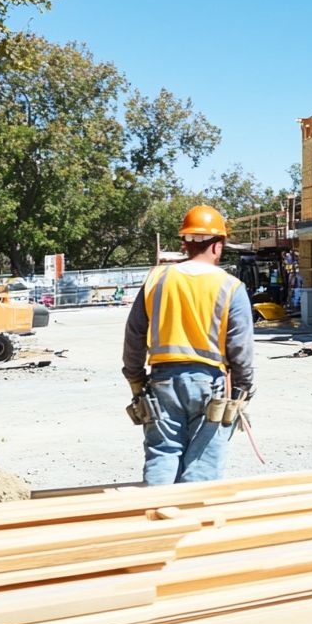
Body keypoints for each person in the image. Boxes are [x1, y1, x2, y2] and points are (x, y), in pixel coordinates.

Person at [122, 205, 256, 484]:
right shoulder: (231, 286)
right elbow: (240, 347)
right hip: (211, 385)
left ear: (184, 244)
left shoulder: (156, 279)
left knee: (162, 453)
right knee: (203, 461)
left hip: (162, 381)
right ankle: (193, 523)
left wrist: (135, 379)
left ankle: (157, 518)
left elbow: (134, 334)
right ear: (218, 246)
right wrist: (243, 390)